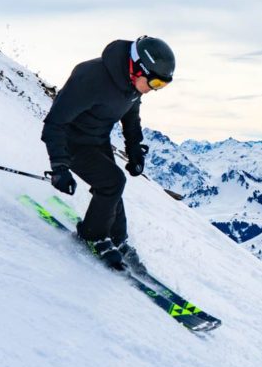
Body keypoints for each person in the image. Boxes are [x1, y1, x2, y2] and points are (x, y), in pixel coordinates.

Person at [41, 36, 175, 270]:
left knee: (113, 187)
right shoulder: (90, 78)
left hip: (96, 139)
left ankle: (117, 239)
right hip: (71, 141)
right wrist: (60, 167)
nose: (154, 90)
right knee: (112, 182)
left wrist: (134, 150)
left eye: (162, 86)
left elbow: (131, 116)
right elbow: (54, 123)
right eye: (155, 84)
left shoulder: (133, 84)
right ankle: (92, 236)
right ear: (137, 68)